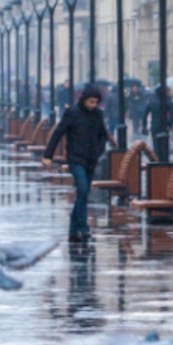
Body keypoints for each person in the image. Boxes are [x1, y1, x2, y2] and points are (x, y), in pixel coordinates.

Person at [42, 85, 110, 242]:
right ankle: (84, 227)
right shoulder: (72, 113)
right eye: (91, 102)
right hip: (76, 159)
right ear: (85, 100)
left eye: (96, 103)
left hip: (91, 160)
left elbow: (102, 135)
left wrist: (99, 151)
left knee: (82, 194)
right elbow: (58, 133)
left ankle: (73, 230)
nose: (94, 105)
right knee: (83, 189)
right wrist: (48, 155)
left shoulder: (98, 114)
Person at [143, 86, 172, 157]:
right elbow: (172, 113)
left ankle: (157, 159)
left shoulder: (152, 101)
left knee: (156, 145)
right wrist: (170, 124)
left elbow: (145, 115)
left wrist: (145, 126)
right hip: (164, 126)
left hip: (155, 126)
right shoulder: (167, 101)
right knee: (164, 146)